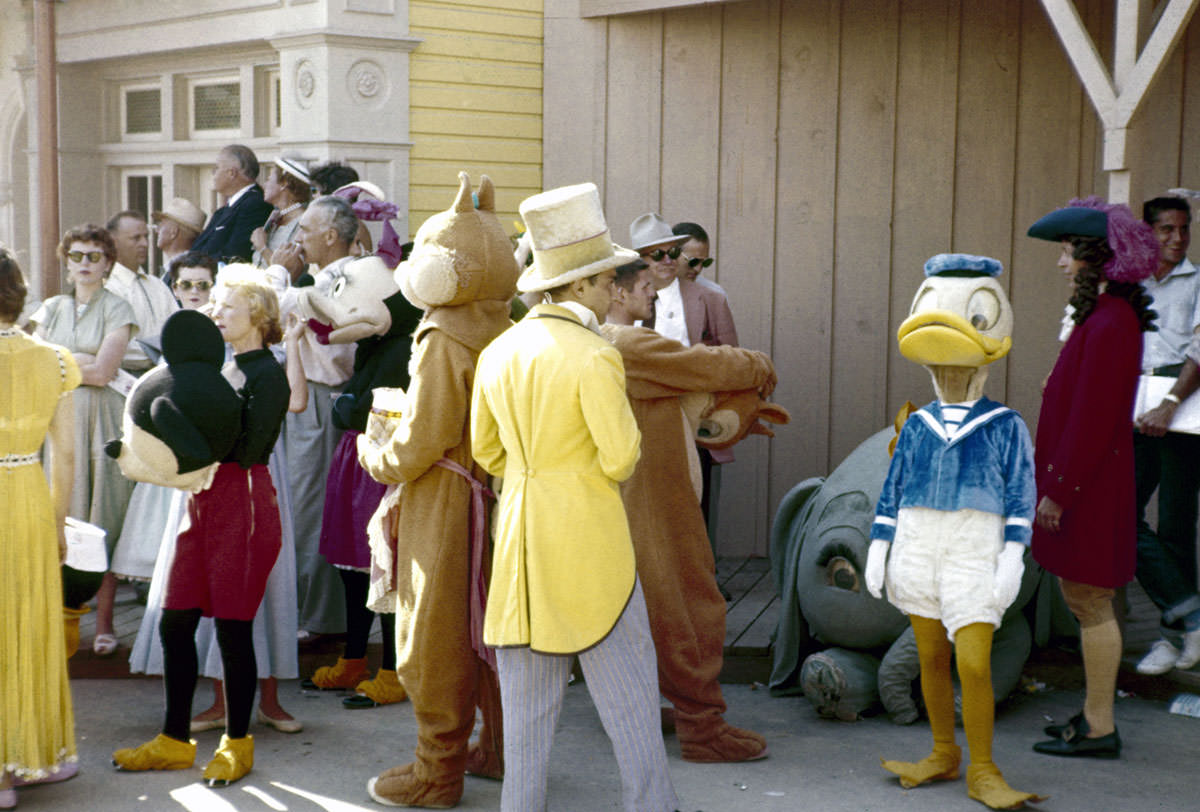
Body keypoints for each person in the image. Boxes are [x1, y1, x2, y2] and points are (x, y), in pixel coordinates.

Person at [471, 182, 677, 812]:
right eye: (607, 278)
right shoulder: (595, 356)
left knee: (528, 721)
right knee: (631, 702)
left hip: (521, 548)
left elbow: (487, 452)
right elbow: (620, 457)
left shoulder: (499, 351)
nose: (616, 287)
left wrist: (537, 470)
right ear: (582, 285)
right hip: (592, 546)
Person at [112, 267, 291, 787]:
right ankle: (173, 740)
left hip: (245, 502)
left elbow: (250, 449)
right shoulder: (224, 368)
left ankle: (237, 742)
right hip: (202, 498)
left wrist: (185, 430)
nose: (213, 312)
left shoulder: (267, 374)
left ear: (256, 315)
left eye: (225, 306)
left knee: (234, 629)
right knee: (175, 621)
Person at [600, 257, 773, 763]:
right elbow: (709, 364)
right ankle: (702, 725)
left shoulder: (601, 343)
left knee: (636, 611)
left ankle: (645, 706)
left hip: (633, 493)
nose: (654, 297)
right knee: (687, 603)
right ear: (618, 292)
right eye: (646, 288)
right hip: (653, 496)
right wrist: (760, 365)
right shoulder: (625, 342)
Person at [1027, 197, 1159, 759]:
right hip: (1085, 484)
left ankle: (1101, 725)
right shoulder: (1105, 317)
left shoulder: (1110, 322)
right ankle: (1091, 717)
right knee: (1084, 600)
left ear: (1095, 256)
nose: (1061, 262)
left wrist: (1059, 489)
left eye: (1068, 251)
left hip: (1087, 489)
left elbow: (1092, 417)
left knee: (1091, 602)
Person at [30, 225, 137, 657]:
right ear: (66, 261)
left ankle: (106, 623)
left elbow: (104, 372)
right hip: (55, 420)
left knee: (101, 515)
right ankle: (55, 620)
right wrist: (81, 361)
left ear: (109, 262)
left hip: (100, 420)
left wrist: (64, 361)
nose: (85, 264)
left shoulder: (118, 307)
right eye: (77, 256)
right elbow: (33, 365)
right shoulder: (51, 308)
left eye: (94, 256)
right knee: (56, 517)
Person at [0, 248, 81, 808]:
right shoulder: (53, 359)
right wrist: (57, 525)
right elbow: (70, 456)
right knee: (25, 623)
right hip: (26, 494)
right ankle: (22, 759)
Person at [270, 196, 358, 642]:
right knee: (302, 505)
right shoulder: (325, 278)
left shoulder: (338, 280)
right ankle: (313, 613)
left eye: (305, 229)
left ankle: (317, 619)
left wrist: (277, 269)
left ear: (330, 236)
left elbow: (264, 304)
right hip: (306, 395)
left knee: (310, 507)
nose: (297, 238)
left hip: (320, 399)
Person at [1128, 196, 1200, 674]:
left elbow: (1199, 352)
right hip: (1133, 407)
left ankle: (1171, 640)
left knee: (1174, 522)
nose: (1177, 238)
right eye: (1166, 230)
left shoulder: (1197, 282)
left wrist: (1169, 403)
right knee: (1121, 512)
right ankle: (1189, 615)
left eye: (1184, 229)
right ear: (1146, 232)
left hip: (1183, 406)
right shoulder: (1128, 284)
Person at [631, 212, 737, 347]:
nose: (668, 260)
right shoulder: (624, 297)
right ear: (640, 259)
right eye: (658, 254)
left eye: (673, 252)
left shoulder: (711, 299)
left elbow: (732, 357)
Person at [191, 144, 275, 263]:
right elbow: (196, 249)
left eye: (216, 169)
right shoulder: (222, 212)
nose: (213, 175)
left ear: (231, 173)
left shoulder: (254, 204)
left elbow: (235, 254)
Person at [251, 158, 311, 268]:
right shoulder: (276, 218)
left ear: (284, 183)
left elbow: (289, 272)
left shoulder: (303, 223)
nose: (264, 185)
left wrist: (262, 247)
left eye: (269, 179)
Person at [153, 198, 207, 279]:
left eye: (161, 225)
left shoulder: (187, 272)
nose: (157, 230)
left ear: (173, 232)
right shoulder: (175, 268)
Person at [671, 221, 728, 296]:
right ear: (673, 254)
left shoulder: (714, 294)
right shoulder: (652, 293)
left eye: (705, 262)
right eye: (693, 261)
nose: (698, 269)